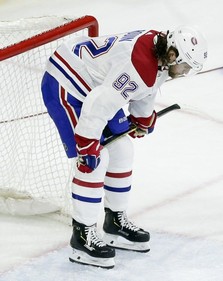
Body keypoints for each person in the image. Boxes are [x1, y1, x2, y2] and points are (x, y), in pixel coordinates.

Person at [41, 26, 207, 269]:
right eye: (185, 66)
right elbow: (99, 104)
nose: (184, 72)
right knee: (95, 160)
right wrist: (88, 144)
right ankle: (82, 236)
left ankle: (115, 224)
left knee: (122, 150)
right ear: (173, 55)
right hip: (66, 83)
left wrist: (142, 116)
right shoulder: (138, 65)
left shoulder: (158, 48)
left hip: (93, 83)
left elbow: (149, 82)